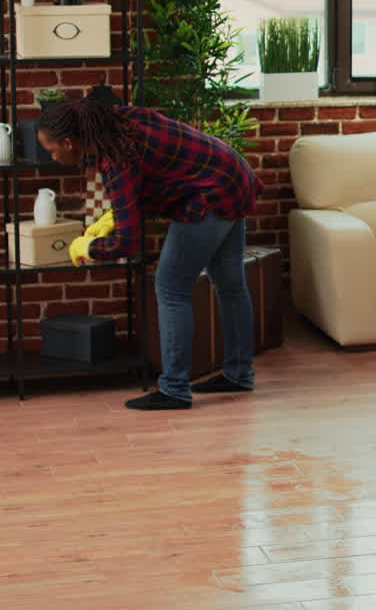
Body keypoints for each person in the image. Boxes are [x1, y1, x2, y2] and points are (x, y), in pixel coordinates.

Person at [37, 98, 263, 411]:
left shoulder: (115, 159)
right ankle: (238, 373)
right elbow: (155, 172)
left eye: (52, 150)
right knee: (230, 284)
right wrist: (112, 217)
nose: (53, 156)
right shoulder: (119, 120)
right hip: (232, 174)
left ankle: (173, 389)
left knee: (171, 287)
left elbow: (127, 243)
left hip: (210, 194)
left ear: (69, 141)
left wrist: (87, 248)